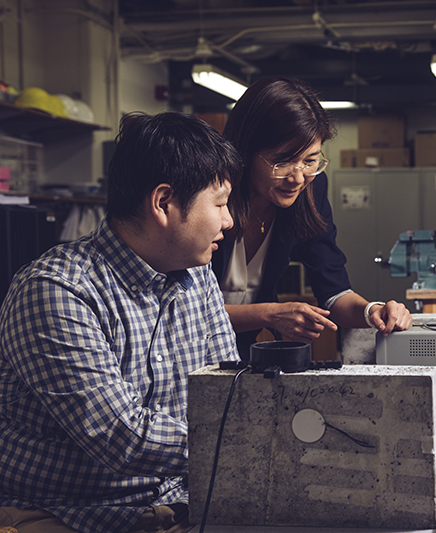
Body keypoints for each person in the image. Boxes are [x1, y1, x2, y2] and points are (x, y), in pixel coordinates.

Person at [0, 112, 242, 533]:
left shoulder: (196, 272)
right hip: (70, 513)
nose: (228, 221)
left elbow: (225, 391)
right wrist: (248, 436)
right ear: (164, 203)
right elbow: (119, 435)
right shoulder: (55, 291)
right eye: (219, 204)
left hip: (178, 500)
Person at [214, 76, 413, 358]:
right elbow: (183, 310)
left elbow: (334, 291)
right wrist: (268, 314)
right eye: (282, 161)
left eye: (310, 160)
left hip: (243, 352)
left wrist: (372, 311)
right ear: (244, 152)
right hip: (183, 351)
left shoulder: (312, 190)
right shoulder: (207, 192)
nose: (298, 178)